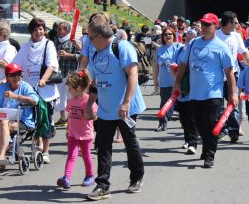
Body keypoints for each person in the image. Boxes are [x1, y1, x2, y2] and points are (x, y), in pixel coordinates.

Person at [85, 22, 146, 200]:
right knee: (103, 146)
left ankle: (136, 177)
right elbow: (95, 84)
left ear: (98, 37)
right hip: (105, 109)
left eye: (90, 38)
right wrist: (89, 105)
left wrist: (126, 102)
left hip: (125, 107)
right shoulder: (95, 55)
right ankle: (102, 186)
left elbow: (132, 74)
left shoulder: (121, 47)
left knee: (129, 141)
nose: (89, 41)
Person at [173, 13, 237, 168]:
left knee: (210, 123)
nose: (204, 27)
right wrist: (177, 84)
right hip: (195, 93)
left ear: (216, 26)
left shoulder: (221, 46)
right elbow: (183, 65)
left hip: (213, 93)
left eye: (208, 25)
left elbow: (229, 72)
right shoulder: (193, 43)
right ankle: (207, 145)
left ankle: (209, 154)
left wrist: (233, 94)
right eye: (203, 24)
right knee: (199, 124)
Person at [12, 18, 60, 164]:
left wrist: (44, 79)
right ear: (31, 32)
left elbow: (51, 65)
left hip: (45, 91)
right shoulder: (26, 47)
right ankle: (38, 145)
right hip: (30, 90)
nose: (38, 32)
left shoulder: (48, 44)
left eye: (41, 29)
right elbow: (15, 64)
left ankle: (45, 151)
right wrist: (7, 77)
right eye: (35, 30)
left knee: (45, 120)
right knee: (33, 120)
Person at [57, 70, 98, 189]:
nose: (68, 90)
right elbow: (70, 115)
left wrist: (91, 116)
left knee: (86, 155)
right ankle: (66, 178)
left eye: (70, 88)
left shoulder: (88, 101)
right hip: (73, 134)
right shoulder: (71, 100)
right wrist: (68, 129)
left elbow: (95, 115)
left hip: (85, 134)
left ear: (79, 88)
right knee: (71, 155)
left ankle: (90, 175)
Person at [216, 11, 249, 142]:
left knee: (233, 102)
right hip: (217, 76)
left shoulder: (236, 36)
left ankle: (233, 131)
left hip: (233, 74)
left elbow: (244, 52)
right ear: (229, 22)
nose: (237, 25)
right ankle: (221, 128)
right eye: (235, 22)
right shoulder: (216, 35)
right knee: (218, 105)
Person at [173, 29, 199, 154]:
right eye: (187, 36)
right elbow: (173, 66)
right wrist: (174, 71)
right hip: (181, 87)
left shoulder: (197, 51)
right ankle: (187, 140)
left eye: (192, 37)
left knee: (192, 117)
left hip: (193, 87)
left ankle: (193, 143)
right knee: (183, 117)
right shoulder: (180, 50)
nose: (189, 39)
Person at [153, 27, 181, 131]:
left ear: (174, 35)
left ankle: (186, 124)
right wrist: (155, 82)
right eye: (165, 35)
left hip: (176, 82)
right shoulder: (160, 49)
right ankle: (162, 124)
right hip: (164, 81)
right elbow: (156, 67)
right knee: (163, 103)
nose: (168, 36)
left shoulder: (178, 48)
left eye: (170, 34)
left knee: (181, 104)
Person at [54, 21, 80, 128]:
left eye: (61, 29)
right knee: (60, 97)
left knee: (71, 97)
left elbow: (81, 56)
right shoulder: (56, 41)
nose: (58, 30)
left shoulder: (73, 41)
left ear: (67, 31)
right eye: (58, 28)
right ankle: (63, 118)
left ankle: (71, 117)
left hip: (70, 74)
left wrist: (68, 55)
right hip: (59, 74)